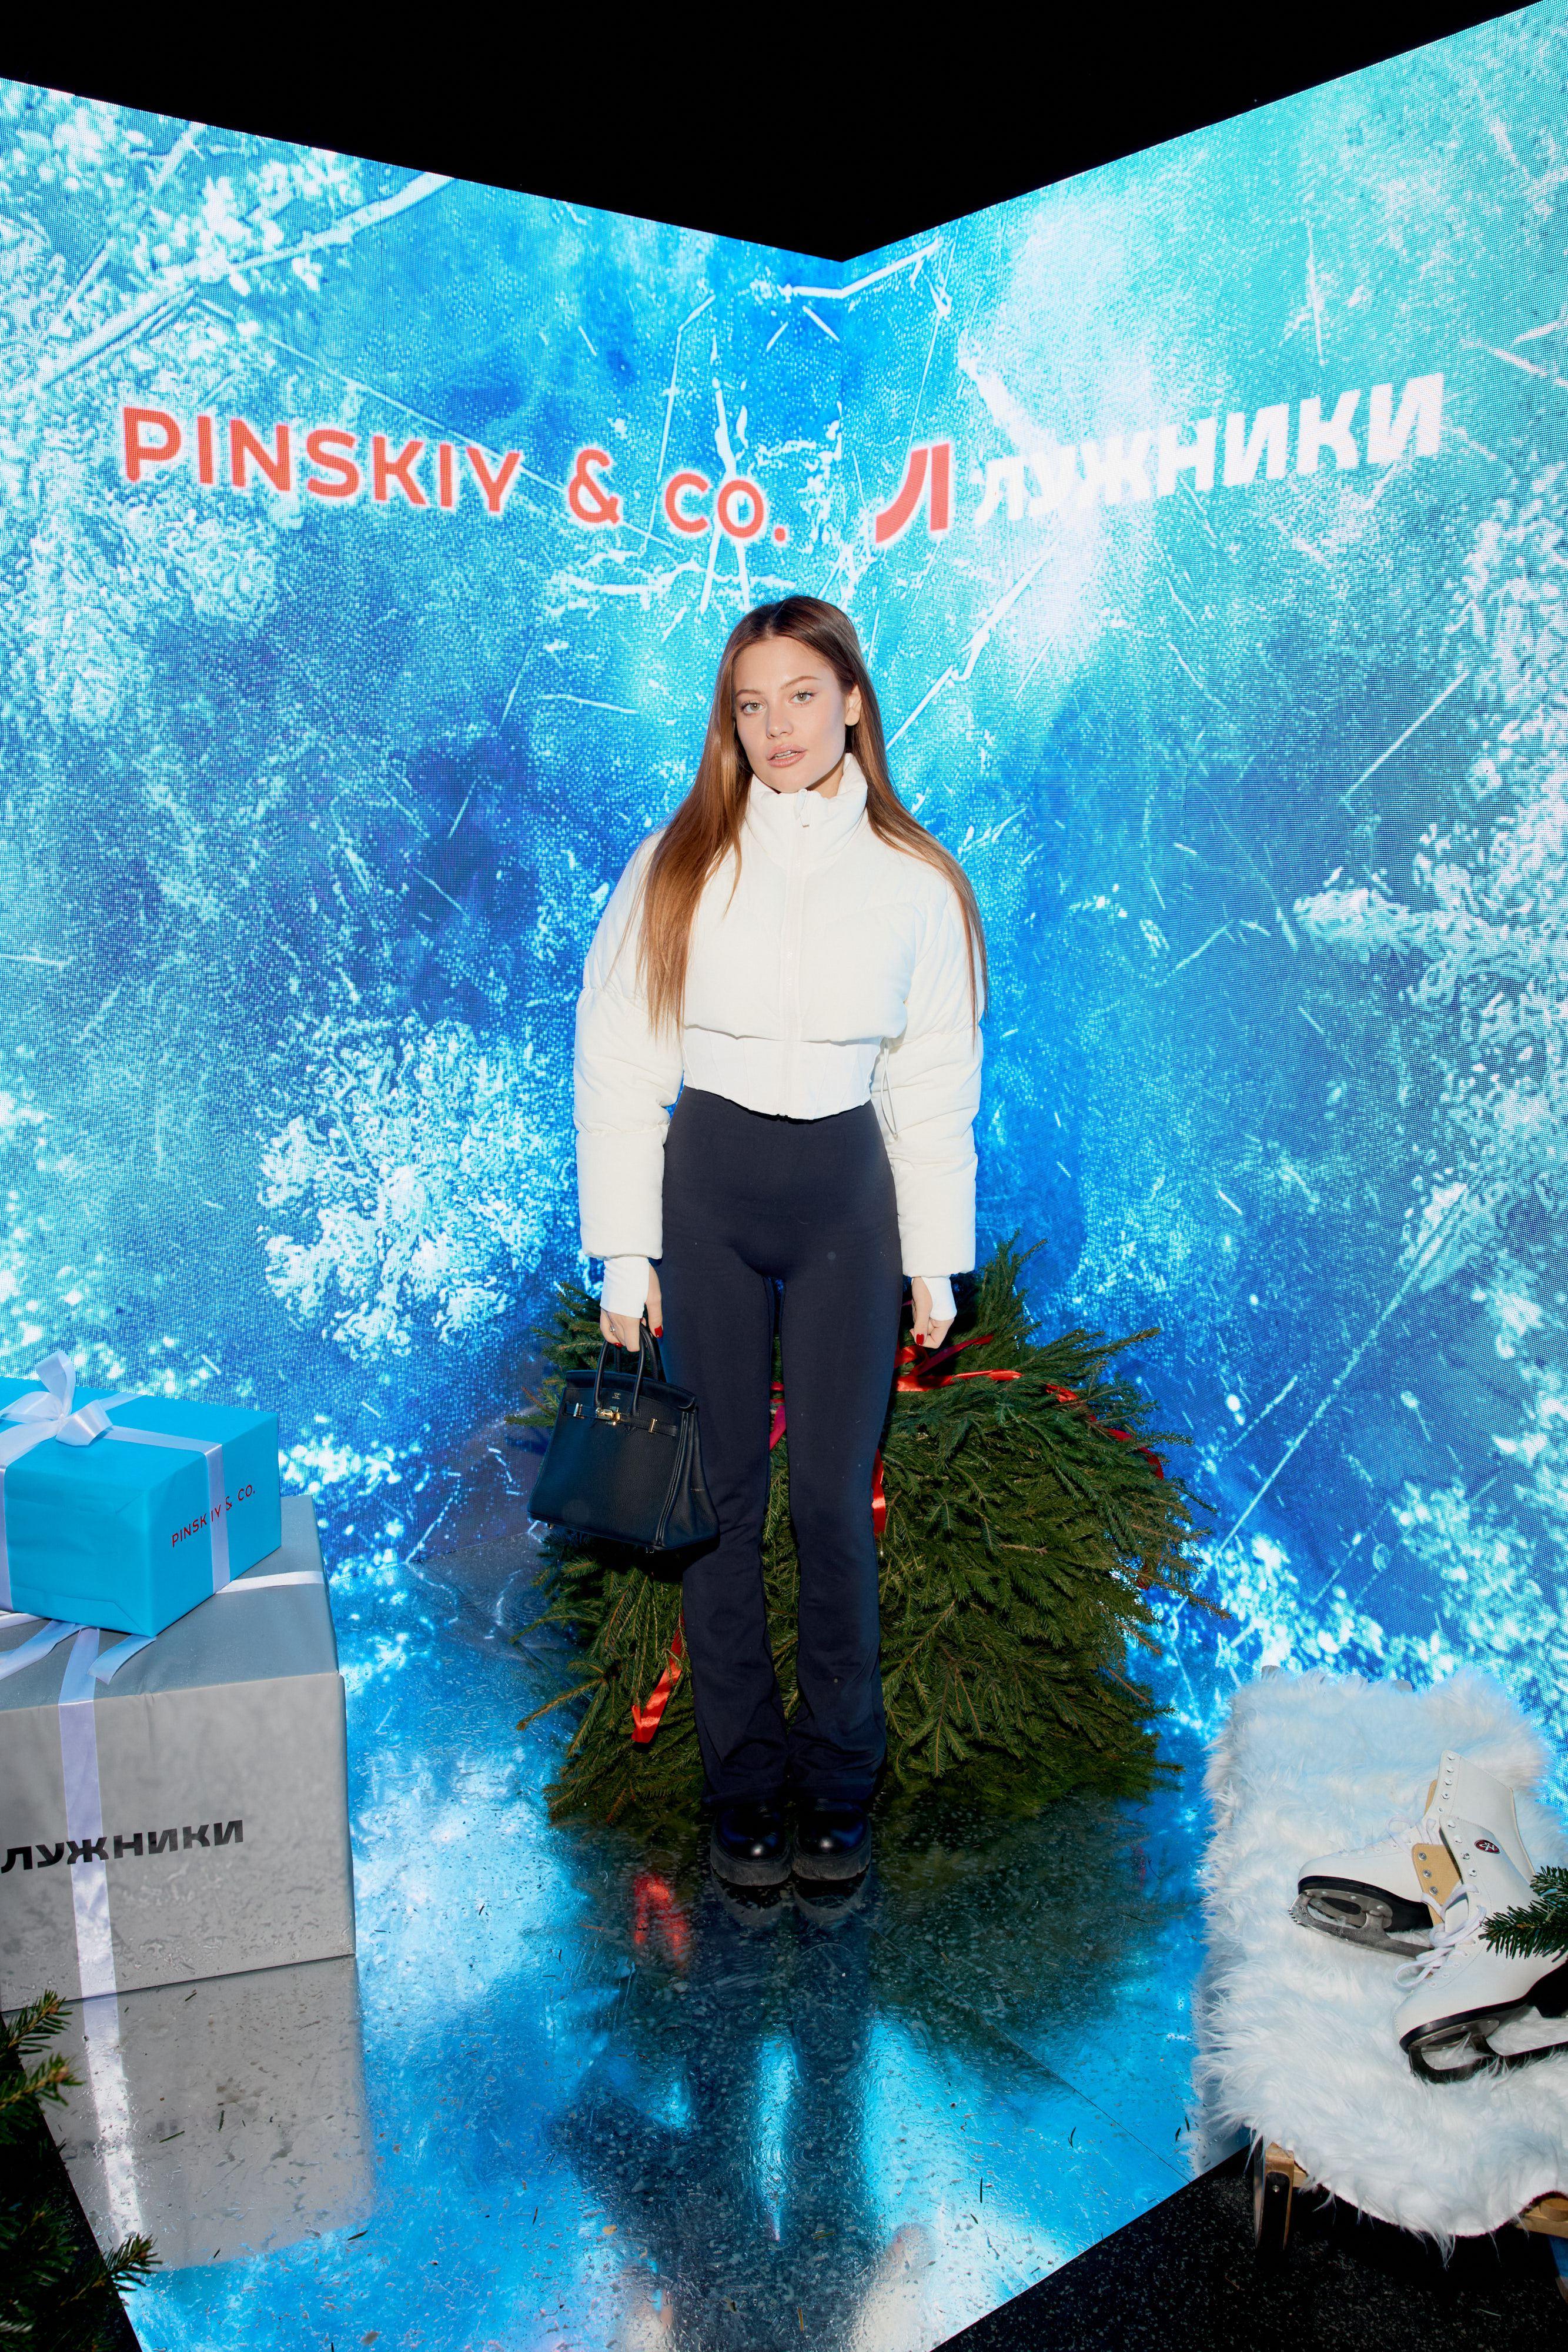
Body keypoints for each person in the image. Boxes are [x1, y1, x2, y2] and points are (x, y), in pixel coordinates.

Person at [573, 595, 986, 1890]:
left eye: (802, 695)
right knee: (720, 1506)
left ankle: (839, 1779)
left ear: (852, 701)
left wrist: (935, 1256)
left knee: (831, 1506)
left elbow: (932, 1079)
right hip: (703, 1198)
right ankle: (743, 1781)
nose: (777, 726)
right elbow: (616, 1055)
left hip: (846, 1209)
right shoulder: (676, 862)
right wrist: (624, 1252)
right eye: (750, 704)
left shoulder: (917, 882)